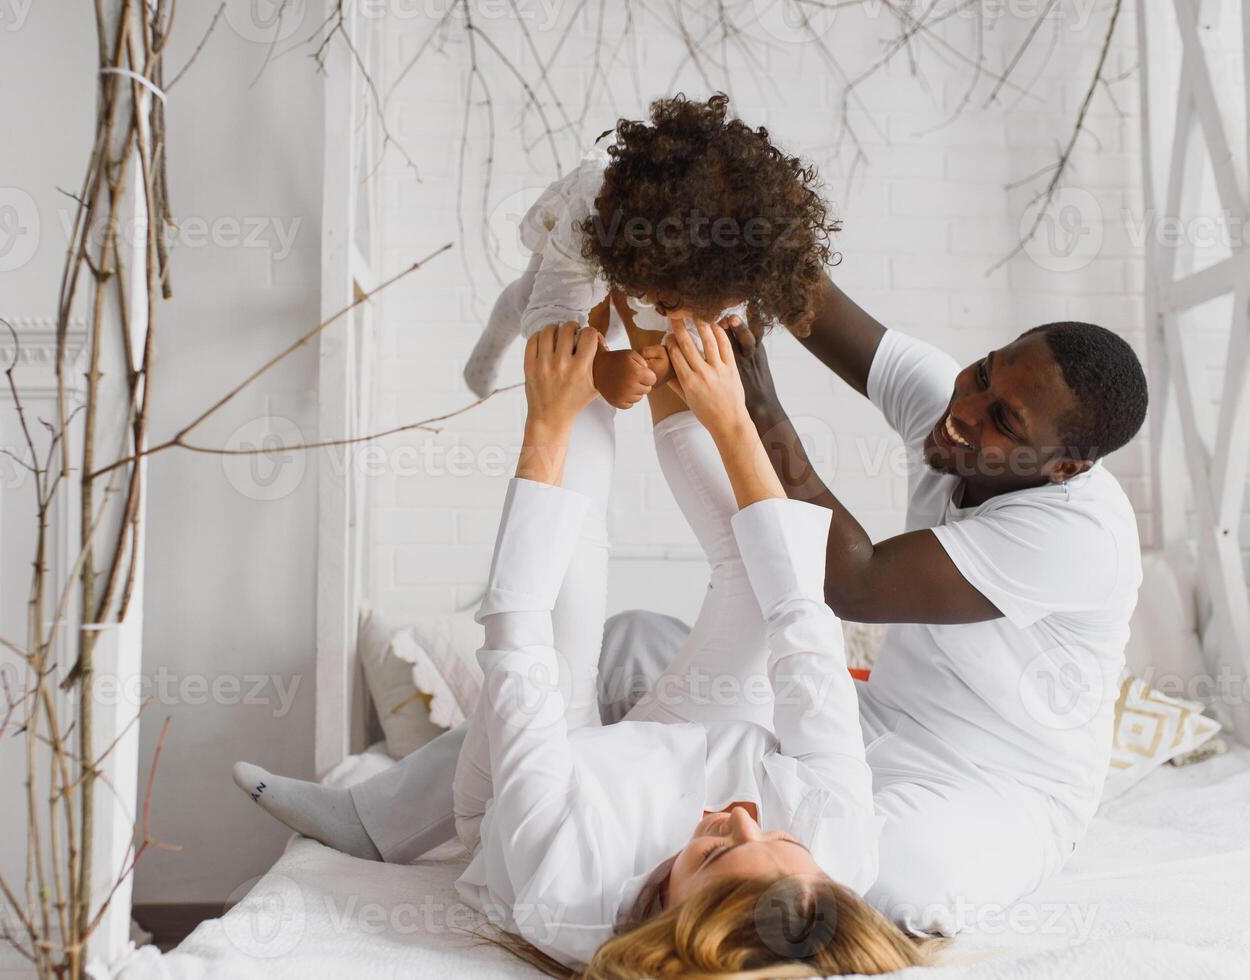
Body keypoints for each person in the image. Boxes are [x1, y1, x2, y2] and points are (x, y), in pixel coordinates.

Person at [233, 278, 1149, 938]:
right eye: (985, 375)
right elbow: (805, 292)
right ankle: (383, 817)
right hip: (876, 721)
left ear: (1067, 465)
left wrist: (744, 403)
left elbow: (851, 585)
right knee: (641, 652)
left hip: (996, 783)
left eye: (1003, 425)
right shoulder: (966, 409)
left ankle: (684, 890)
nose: (965, 412)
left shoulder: (1079, 537)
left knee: (880, 871)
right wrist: (705, 259)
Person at [237, 321, 927, 976]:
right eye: (783, 839)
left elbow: (518, 640)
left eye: (717, 852)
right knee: (757, 590)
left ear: (664, 917)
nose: (741, 816)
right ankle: (664, 339)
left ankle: (588, 371)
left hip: (549, 794)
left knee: (569, 595)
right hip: (687, 744)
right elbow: (803, 624)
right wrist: (731, 418)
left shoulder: (562, 883)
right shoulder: (838, 852)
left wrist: (546, 419)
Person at [457, 92, 836, 741]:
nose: (687, 324)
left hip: (663, 268)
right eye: (674, 305)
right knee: (522, 305)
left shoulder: (730, 258)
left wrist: (678, 356)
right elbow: (553, 323)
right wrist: (603, 369)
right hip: (577, 268)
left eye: (707, 312)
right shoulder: (589, 218)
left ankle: (585, 748)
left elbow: (692, 315)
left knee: (748, 548)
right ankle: (487, 350)